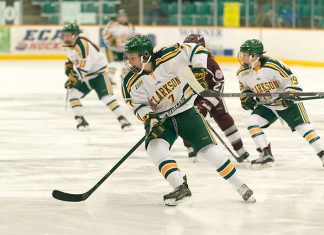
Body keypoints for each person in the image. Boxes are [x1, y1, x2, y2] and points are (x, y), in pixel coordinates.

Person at [122, 34, 256, 206]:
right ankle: (180, 187)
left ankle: (241, 186)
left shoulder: (170, 56)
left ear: (145, 55)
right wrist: (149, 117)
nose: (129, 61)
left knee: (209, 151)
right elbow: (138, 105)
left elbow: (197, 49)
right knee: (154, 148)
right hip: (164, 121)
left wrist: (199, 70)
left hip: (186, 112)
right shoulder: (130, 82)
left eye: (132, 57)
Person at [237, 39, 324, 168]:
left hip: (287, 104)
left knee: (303, 128)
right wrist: (246, 98)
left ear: (255, 55)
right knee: (251, 123)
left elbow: (292, 80)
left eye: (245, 54)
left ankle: (322, 154)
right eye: (242, 54)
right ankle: (266, 154)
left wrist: (289, 94)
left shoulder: (274, 65)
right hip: (267, 105)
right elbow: (244, 88)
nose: (242, 57)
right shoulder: (242, 72)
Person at [181, 34, 250, 163]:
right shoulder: (182, 63)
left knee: (223, 118)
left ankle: (239, 148)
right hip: (191, 95)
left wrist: (206, 103)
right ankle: (191, 148)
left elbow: (219, 83)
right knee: (187, 118)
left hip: (210, 93)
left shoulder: (210, 63)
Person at [62, 23, 132, 131]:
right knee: (73, 95)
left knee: (107, 98)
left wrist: (74, 77)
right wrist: (69, 70)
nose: (65, 37)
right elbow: (70, 60)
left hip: (98, 75)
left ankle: (123, 119)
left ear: (75, 35)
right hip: (85, 77)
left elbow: (85, 68)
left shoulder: (83, 45)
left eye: (68, 35)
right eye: (64, 35)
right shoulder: (70, 45)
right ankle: (81, 119)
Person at [102, 9, 135, 83]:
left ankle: (124, 77)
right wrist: (110, 40)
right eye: (121, 16)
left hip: (124, 48)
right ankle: (109, 77)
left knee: (126, 63)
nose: (123, 18)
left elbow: (132, 36)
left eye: (124, 16)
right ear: (118, 17)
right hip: (113, 48)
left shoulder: (130, 26)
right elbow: (104, 34)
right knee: (113, 63)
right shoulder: (112, 25)